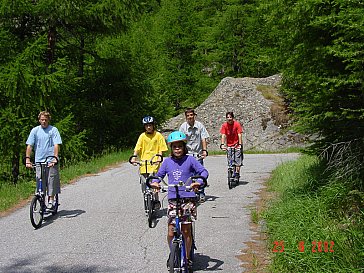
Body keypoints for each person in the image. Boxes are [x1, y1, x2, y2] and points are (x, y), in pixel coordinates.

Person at [149, 131, 208, 271]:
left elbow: (203, 172)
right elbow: (158, 175)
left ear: (184, 147)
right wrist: (155, 183)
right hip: (173, 199)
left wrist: (198, 182)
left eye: (179, 146)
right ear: (171, 148)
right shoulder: (167, 162)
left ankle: (187, 258)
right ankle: (174, 252)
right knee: (171, 232)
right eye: (174, 146)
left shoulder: (190, 160)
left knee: (186, 230)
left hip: (188, 198)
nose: (177, 149)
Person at [25, 111, 62, 209]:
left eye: (46, 120)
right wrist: (28, 159)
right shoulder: (35, 131)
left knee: (51, 180)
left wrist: (55, 158)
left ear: (49, 120)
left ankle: (51, 199)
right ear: (39, 120)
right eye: (42, 119)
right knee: (40, 181)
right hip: (39, 161)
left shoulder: (53, 130)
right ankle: (40, 200)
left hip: (51, 161)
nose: (44, 121)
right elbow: (29, 145)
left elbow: (56, 144)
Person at [130, 116, 168, 208]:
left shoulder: (158, 135)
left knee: (154, 182)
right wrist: (134, 157)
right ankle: (146, 196)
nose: (149, 127)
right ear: (144, 127)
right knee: (144, 182)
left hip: (154, 162)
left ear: (153, 125)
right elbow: (138, 147)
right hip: (144, 163)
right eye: (147, 126)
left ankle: (156, 199)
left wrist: (159, 157)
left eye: (150, 125)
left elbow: (161, 147)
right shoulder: (142, 136)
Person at [179, 108, 209, 202]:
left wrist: (204, 150)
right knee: (187, 174)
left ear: (194, 115)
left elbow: (203, 138)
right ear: (186, 117)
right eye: (188, 116)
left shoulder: (200, 125)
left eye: (191, 115)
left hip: (197, 153)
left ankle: (201, 192)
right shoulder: (183, 127)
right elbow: (180, 140)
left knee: (199, 174)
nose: (190, 117)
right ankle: (187, 192)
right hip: (187, 154)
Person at [220, 111, 244, 182]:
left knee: (237, 160)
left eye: (230, 117)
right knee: (230, 159)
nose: (229, 119)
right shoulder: (224, 125)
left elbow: (239, 134)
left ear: (233, 118)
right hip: (229, 145)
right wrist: (222, 144)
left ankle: (237, 173)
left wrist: (239, 144)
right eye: (227, 117)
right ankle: (231, 170)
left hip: (237, 144)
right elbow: (223, 135)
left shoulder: (237, 124)